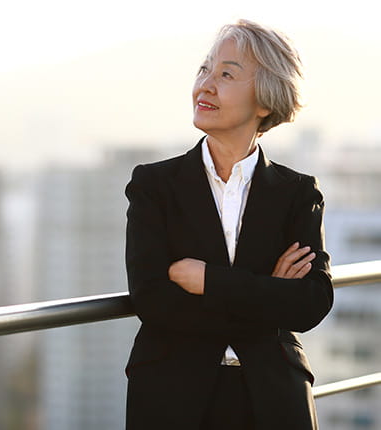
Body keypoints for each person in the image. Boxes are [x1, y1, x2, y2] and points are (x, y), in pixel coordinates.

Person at [124, 19, 333, 430]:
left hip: (273, 399)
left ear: (265, 101)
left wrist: (209, 280)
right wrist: (267, 292)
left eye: (226, 74)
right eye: (204, 69)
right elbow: (153, 300)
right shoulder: (153, 185)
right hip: (172, 396)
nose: (205, 84)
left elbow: (310, 303)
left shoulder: (298, 193)